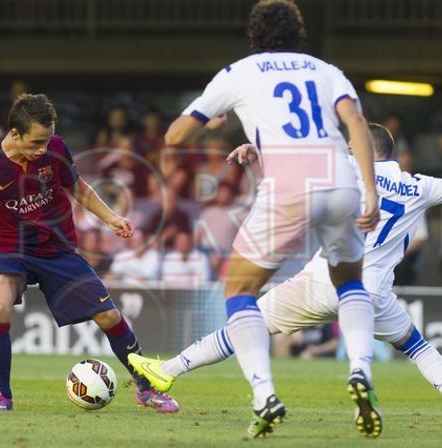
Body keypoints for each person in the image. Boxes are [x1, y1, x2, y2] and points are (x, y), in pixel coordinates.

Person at [133, 0, 380, 438]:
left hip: (287, 188)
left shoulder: (239, 73)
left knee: (240, 289)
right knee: (350, 282)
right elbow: (356, 124)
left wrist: (211, 124)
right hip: (341, 181)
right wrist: (370, 192)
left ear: (253, 35)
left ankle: (264, 395)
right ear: (298, 34)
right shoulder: (325, 70)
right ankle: (361, 371)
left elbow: (173, 137)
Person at [129, 124, 442, 429]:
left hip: (324, 282)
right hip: (374, 295)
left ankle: (168, 370)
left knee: (244, 324)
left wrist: (255, 149)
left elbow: (298, 155)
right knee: (419, 348)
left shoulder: (348, 166)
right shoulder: (421, 186)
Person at [0, 93, 179, 413]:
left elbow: (77, 187)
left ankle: (146, 389)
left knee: (109, 315)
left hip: (57, 248)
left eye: (47, 140)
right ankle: (1, 396)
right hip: (8, 248)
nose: (43, 149)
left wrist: (111, 218)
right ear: (14, 133)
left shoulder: (57, 149)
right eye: (36, 142)